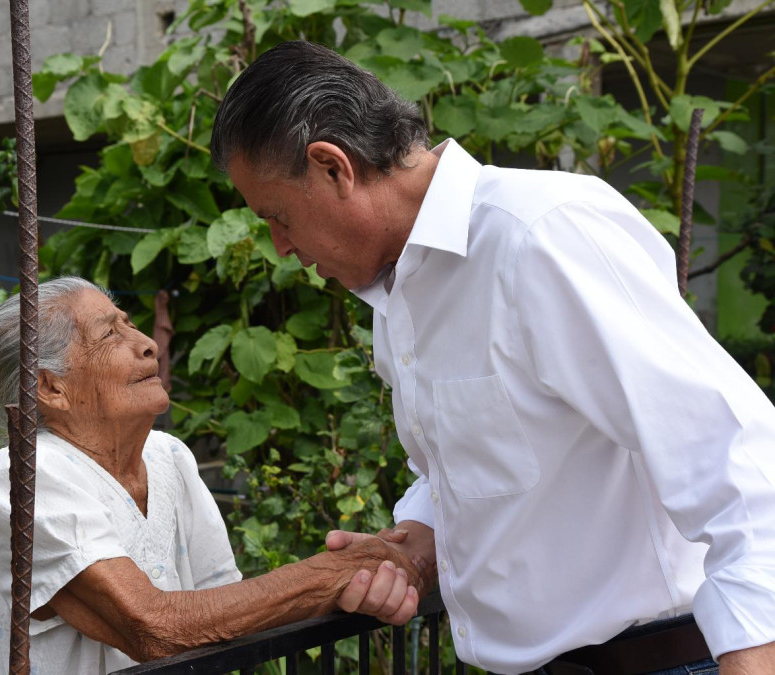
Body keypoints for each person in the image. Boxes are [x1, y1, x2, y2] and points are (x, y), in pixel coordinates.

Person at [209, 40, 775, 675]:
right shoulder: (400, 288)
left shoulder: (539, 234)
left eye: (277, 216)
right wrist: (418, 543)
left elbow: (737, 459)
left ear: (333, 166)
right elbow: (479, 458)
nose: (280, 246)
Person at [0, 276, 424, 675]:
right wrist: (335, 573)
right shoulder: (26, 473)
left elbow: (225, 600)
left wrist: (360, 577)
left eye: (129, 323)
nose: (147, 343)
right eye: (108, 335)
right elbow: (152, 627)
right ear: (50, 388)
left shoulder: (168, 456)